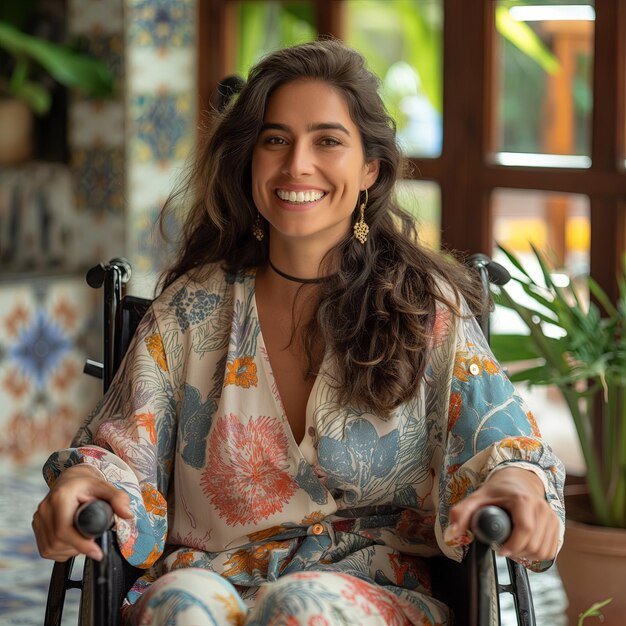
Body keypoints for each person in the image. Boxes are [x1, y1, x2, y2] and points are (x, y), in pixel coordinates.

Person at [33, 39, 565, 626]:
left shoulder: (425, 308)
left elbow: (501, 448)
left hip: (374, 592)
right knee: (179, 607)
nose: (297, 165)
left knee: (298, 607)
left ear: (371, 168)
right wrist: (83, 481)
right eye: (276, 139)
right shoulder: (191, 310)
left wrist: (519, 485)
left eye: (327, 140)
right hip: (210, 577)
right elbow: (119, 458)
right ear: (250, 160)